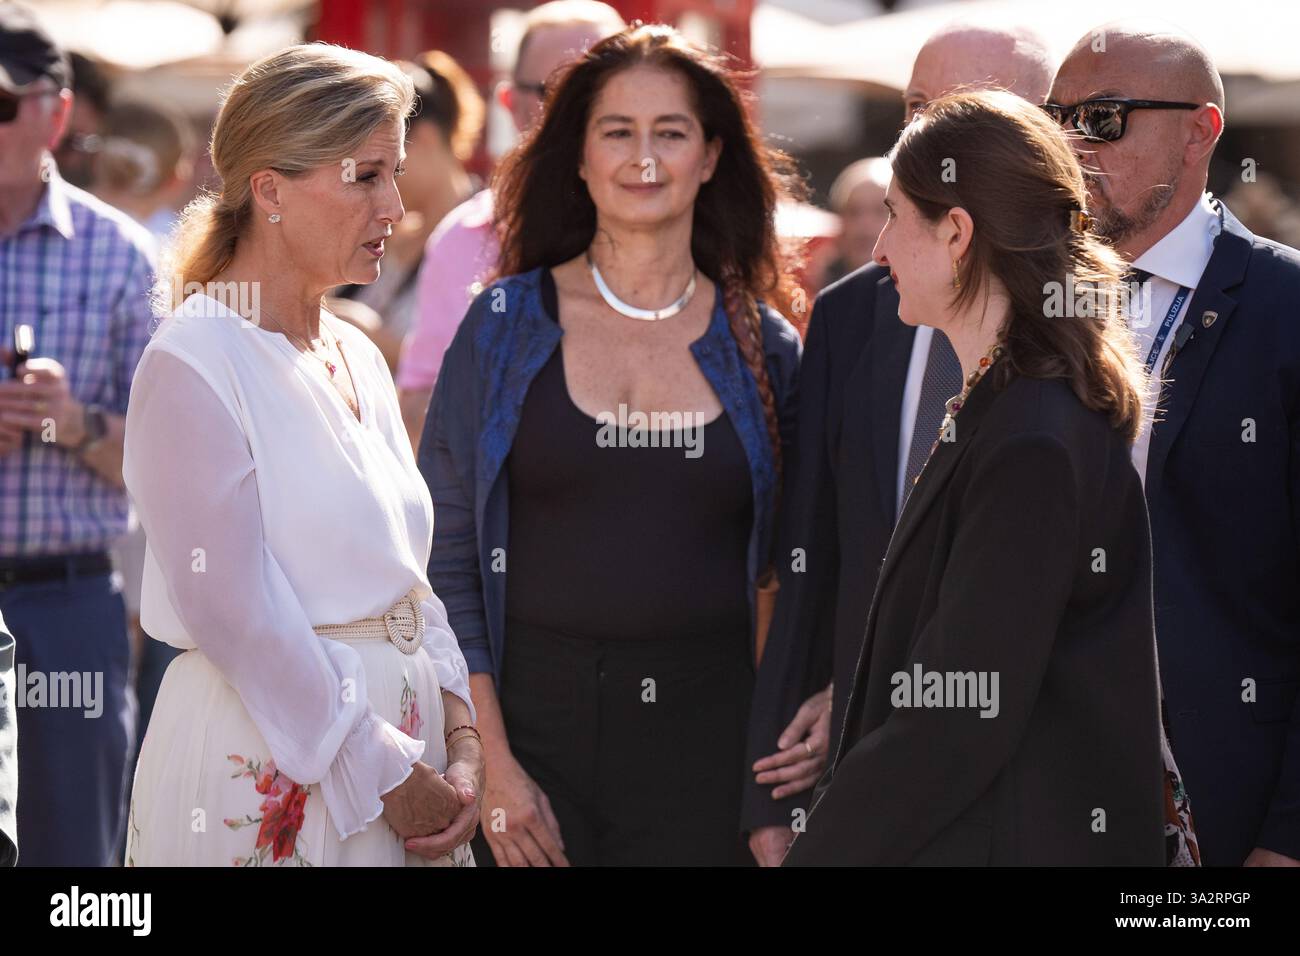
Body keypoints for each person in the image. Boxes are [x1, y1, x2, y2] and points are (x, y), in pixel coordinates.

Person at [419, 24, 802, 866]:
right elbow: (443, 558)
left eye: (671, 132)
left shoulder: (765, 348)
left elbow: (794, 573)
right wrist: (493, 767)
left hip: (712, 742)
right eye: (617, 132)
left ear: (710, 157)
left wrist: (769, 786)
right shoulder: (503, 327)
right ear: (579, 158)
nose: (644, 157)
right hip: (532, 734)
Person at [122, 43, 481, 867]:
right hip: (265, 773)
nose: (394, 205)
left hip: (410, 779)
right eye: (364, 176)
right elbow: (237, 616)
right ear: (269, 190)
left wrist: (460, 734)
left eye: (394, 173)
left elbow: (410, 581)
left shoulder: (356, 352)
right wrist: (392, 775)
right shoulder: (194, 359)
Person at [784, 89, 1164, 866]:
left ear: (956, 231)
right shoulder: (1016, 406)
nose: (878, 248)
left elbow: (959, 711)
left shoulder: (1031, 432)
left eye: (894, 215)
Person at [744, 20, 1055, 866]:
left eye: (965, 111)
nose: (929, 138)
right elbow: (810, 553)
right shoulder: (851, 314)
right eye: (917, 109)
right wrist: (769, 798)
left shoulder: (1070, 371)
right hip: (861, 777)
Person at [1050, 21, 1300, 867]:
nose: (1075, 144)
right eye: (1059, 118)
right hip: (1041, 790)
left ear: (1200, 131)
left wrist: (1288, 836)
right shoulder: (1026, 301)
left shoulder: (1285, 309)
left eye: (1106, 117)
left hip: (1224, 801)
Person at [0, 0, 152, 867]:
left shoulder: (123, 257)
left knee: (73, 866)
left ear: (56, 112)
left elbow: (173, 465)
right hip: (63, 603)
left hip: (63, 609)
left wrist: (72, 423)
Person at [396, 0, 626, 448]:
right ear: (510, 103)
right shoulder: (463, 239)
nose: (586, 116)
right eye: (559, 93)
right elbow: (418, 411)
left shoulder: (677, 232)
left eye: (607, 92)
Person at [332, 50, 484, 370]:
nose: (374, 183)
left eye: (391, 165)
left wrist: (368, 335)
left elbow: (474, 363)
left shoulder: (482, 235)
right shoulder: (393, 234)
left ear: (425, 140)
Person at [821, 156, 891, 285]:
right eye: (854, 212)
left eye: (880, 211)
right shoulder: (820, 296)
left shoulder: (926, 298)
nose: (865, 223)